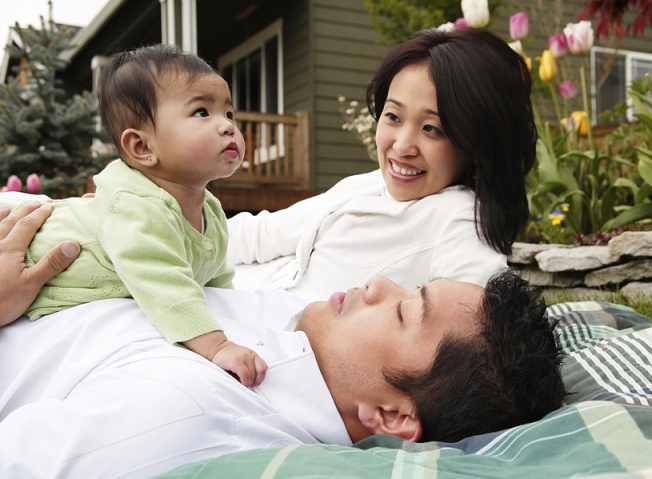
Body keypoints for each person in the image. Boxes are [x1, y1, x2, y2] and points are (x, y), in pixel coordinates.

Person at [0, 206, 565, 478]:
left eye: (402, 311)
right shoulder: (297, 324)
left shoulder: (188, 409)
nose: (375, 283)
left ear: (391, 417)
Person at [6, 44, 269, 386]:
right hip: (24, 256)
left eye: (229, 113)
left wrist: (248, 322)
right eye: (202, 112)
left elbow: (219, 282)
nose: (228, 126)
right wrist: (216, 345)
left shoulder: (211, 211)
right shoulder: (137, 208)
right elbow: (163, 285)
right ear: (143, 147)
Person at [227, 26, 536, 299]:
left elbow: (468, 332)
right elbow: (262, 234)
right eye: (393, 116)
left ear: (476, 143)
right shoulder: (368, 184)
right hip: (217, 301)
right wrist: (181, 236)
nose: (401, 146)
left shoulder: (461, 222)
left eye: (432, 128)